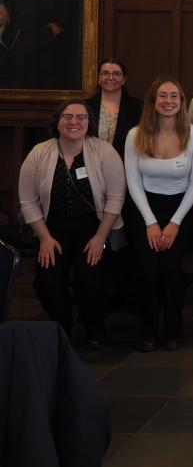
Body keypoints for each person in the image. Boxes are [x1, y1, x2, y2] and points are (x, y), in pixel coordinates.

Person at [19, 100, 125, 347]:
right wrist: (44, 238)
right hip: (52, 228)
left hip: (93, 227)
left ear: (89, 123)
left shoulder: (104, 151)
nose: (74, 122)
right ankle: (61, 326)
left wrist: (100, 238)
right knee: (47, 280)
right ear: (57, 121)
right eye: (68, 117)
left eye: (81, 117)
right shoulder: (39, 152)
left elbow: (116, 197)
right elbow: (27, 200)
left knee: (90, 277)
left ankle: (93, 328)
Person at [124, 77, 193, 351]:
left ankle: (173, 328)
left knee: (171, 270)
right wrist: (150, 222)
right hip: (143, 208)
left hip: (181, 209)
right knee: (148, 270)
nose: (169, 101)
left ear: (182, 102)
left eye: (174, 96)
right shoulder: (135, 135)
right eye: (163, 96)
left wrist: (174, 223)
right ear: (153, 101)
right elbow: (133, 181)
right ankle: (148, 329)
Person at [85, 58, 142, 158]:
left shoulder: (138, 107)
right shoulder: (85, 106)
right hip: (91, 164)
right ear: (98, 79)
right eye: (105, 73)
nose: (110, 77)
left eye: (116, 74)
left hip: (125, 166)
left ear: (124, 79)